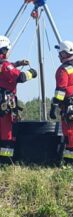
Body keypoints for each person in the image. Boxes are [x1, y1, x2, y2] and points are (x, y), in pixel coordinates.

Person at [0, 35, 37, 163]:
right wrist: (32, 73)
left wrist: (17, 63)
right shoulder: (5, 66)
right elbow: (19, 77)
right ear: (4, 50)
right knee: (7, 133)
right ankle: (5, 162)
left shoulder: (4, 66)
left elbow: (6, 69)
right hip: (4, 105)